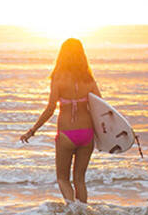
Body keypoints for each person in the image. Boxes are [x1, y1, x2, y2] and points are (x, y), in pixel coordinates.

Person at [20, 38, 102, 203]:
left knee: (62, 179)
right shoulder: (89, 79)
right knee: (80, 180)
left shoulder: (58, 78)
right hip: (87, 134)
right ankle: (82, 213)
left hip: (66, 135)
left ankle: (72, 210)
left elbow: (50, 109)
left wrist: (32, 131)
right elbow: (101, 107)